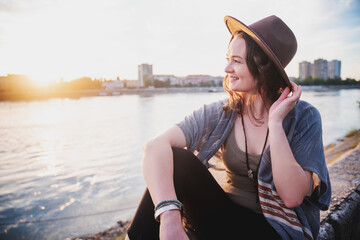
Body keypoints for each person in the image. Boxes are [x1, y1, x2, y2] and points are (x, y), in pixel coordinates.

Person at [126, 15, 331, 240]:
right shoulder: (223, 112)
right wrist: (169, 217)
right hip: (222, 221)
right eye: (228, 58)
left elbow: (292, 197)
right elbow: (154, 147)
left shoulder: (304, 118)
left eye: (236, 61)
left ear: (263, 68)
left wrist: (275, 123)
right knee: (175, 160)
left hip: (274, 232)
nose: (226, 68)